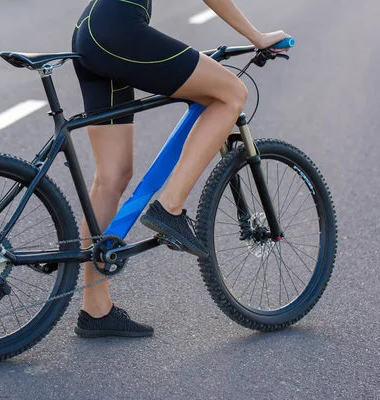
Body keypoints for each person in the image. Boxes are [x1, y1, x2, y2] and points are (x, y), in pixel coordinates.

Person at [71, 0, 289, 338]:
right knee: (231, 93)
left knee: (111, 177)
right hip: (118, 30)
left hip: (92, 31)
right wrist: (256, 36)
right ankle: (170, 207)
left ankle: (96, 310)